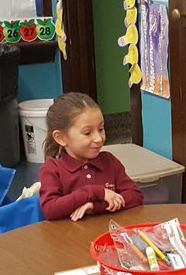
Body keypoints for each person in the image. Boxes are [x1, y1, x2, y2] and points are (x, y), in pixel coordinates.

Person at [39, 92, 143, 221]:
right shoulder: (52, 168)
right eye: (87, 133)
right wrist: (95, 192)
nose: (99, 139)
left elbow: (135, 196)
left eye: (101, 129)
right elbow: (50, 209)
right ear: (61, 138)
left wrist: (95, 206)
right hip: (68, 238)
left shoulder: (109, 161)